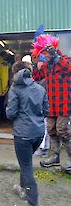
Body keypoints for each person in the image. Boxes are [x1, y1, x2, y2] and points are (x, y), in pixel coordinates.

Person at [6, 61, 49, 206]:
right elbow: (46, 111)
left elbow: (11, 114)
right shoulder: (40, 88)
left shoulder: (15, 88)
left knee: (26, 167)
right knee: (26, 163)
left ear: (16, 73)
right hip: (38, 133)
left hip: (23, 134)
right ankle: (24, 190)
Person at [31, 34, 71, 174]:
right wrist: (36, 64)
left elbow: (68, 68)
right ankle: (55, 157)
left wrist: (56, 57)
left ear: (53, 51)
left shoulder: (65, 60)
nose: (45, 56)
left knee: (62, 130)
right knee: (51, 130)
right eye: (44, 54)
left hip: (64, 103)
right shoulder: (46, 66)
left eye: (46, 53)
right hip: (52, 105)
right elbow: (36, 77)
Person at [22, 55, 50, 158]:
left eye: (41, 62)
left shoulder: (45, 76)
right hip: (38, 105)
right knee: (41, 126)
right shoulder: (37, 75)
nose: (39, 64)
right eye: (38, 62)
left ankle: (44, 149)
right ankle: (41, 148)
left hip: (44, 104)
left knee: (45, 127)